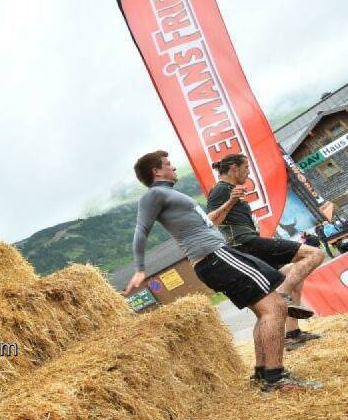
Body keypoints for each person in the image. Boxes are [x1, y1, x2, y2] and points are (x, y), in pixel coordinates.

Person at [124, 151, 319, 393]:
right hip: (215, 256)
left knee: (265, 310)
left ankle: (262, 373)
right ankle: (275, 377)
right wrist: (141, 269)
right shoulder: (154, 194)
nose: (173, 167)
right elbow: (141, 230)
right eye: (167, 164)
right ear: (156, 171)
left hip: (216, 256)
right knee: (276, 307)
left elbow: (208, 222)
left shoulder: (169, 194)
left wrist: (229, 203)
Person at [205, 154, 323, 350]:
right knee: (315, 254)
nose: (248, 172)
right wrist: (230, 202)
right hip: (243, 243)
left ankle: (293, 334)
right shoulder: (220, 190)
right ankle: (283, 295)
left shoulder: (231, 190)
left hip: (248, 241)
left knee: (292, 272)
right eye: (246, 168)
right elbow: (210, 222)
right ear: (234, 168)